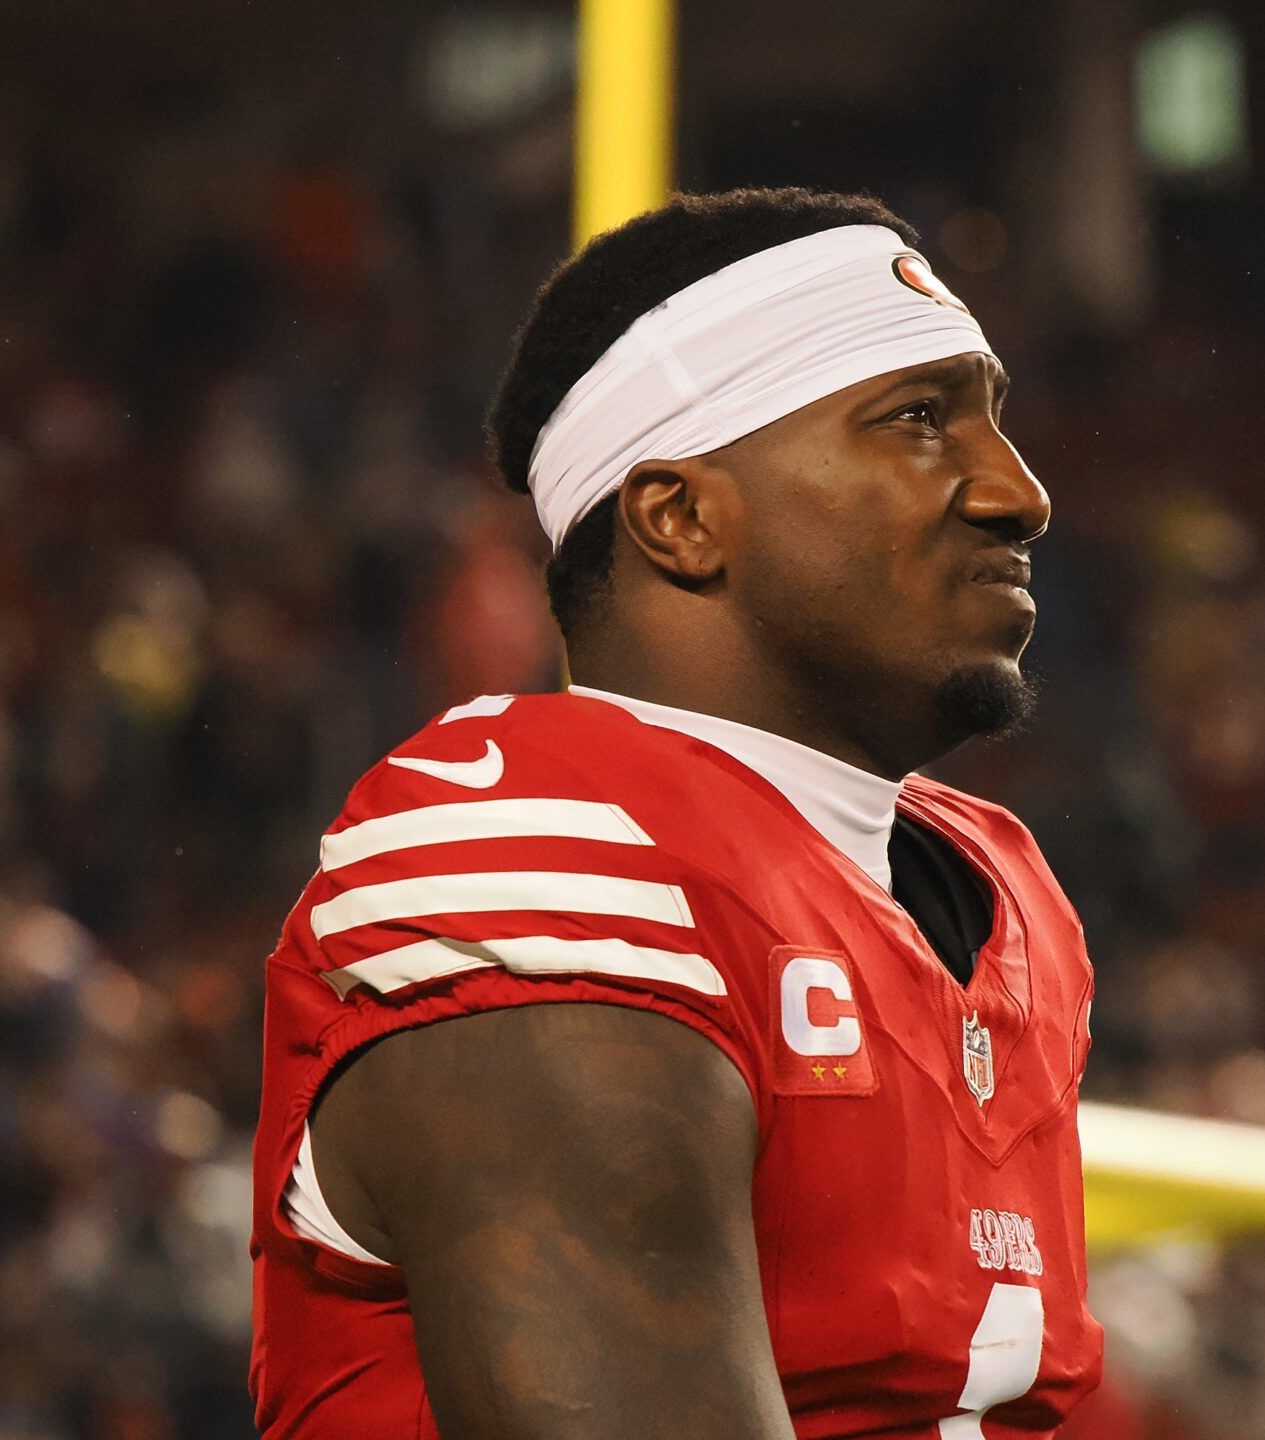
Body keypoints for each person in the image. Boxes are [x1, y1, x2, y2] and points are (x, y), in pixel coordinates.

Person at [249, 187, 1105, 1438]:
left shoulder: (1002, 886)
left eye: (994, 423)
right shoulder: (541, 843)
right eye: (919, 422)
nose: (1016, 492)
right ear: (682, 518)